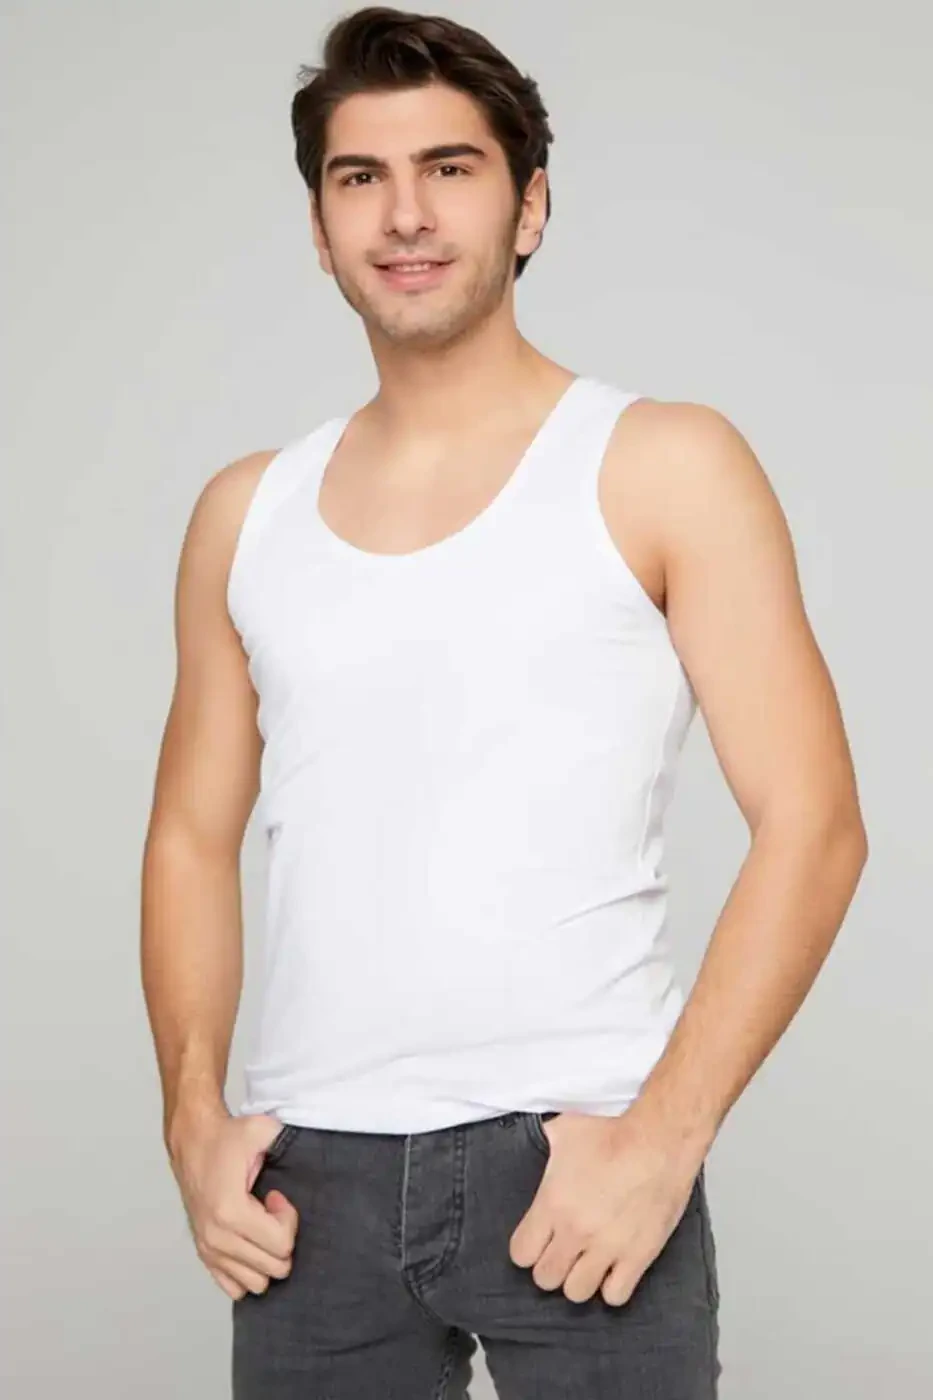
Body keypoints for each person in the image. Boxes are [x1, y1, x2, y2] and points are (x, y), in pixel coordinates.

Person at [140, 7, 868, 1397]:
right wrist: (190, 1120)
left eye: (451, 168)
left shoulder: (663, 465)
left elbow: (816, 825)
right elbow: (187, 835)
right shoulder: (246, 513)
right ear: (320, 227)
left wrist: (664, 1141)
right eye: (361, 177)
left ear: (530, 205)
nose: (405, 214)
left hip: (579, 1161)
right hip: (309, 1190)